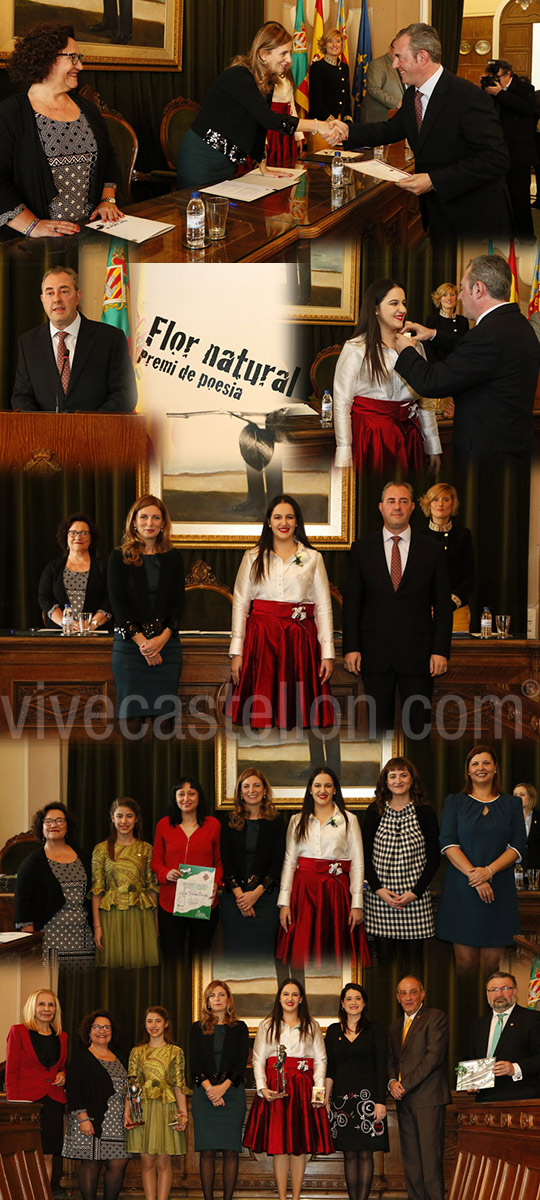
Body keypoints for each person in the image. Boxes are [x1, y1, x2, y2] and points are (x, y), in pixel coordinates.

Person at [343, 23, 511, 242]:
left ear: (422, 57)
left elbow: (496, 158)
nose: (394, 64)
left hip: (474, 218)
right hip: (438, 214)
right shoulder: (413, 93)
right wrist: (346, 132)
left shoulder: (467, 96)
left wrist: (434, 180)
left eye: (399, 57)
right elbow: (391, 129)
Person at [394, 255, 540, 461]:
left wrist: (405, 349)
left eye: (463, 288)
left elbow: (431, 382)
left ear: (478, 289)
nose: (460, 297)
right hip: (515, 447)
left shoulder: (486, 335)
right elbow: (478, 355)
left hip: (487, 454)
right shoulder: (520, 325)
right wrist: (433, 334)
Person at [342, 480, 453, 736]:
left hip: (420, 657)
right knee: (377, 730)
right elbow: (352, 604)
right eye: (391, 501)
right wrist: (351, 647)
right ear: (381, 507)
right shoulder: (362, 549)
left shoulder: (432, 550)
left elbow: (443, 606)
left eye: (403, 501)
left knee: (418, 729)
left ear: (412, 507)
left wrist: (440, 651)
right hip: (374, 655)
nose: (397, 507)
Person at [177, 23, 344, 190]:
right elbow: (270, 120)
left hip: (227, 161)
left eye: (290, 53)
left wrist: (263, 168)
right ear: (263, 54)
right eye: (284, 53)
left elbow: (260, 127)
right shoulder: (239, 75)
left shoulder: (267, 82)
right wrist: (318, 125)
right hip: (201, 159)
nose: (289, 60)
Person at [0, 23, 122, 240]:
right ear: (46, 59)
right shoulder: (9, 114)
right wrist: (33, 226)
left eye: (80, 58)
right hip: (31, 244)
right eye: (73, 58)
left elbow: (109, 159)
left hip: (90, 233)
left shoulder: (88, 109)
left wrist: (107, 201)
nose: (81, 66)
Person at [227, 494, 335, 733]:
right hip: (261, 639)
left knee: (296, 712)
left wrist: (327, 654)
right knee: (262, 713)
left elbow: (324, 608)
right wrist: (237, 652)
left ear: (297, 522)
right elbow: (241, 605)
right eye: (277, 517)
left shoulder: (313, 558)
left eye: (289, 516)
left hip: (299, 641)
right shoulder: (252, 557)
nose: (283, 522)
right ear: (268, 521)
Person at [333, 278, 442, 472]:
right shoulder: (356, 349)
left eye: (404, 303)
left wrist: (433, 447)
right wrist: (344, 456)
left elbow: (425, 402)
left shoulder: (415, 347)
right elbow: (342, 404)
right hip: (372, 436)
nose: (402, 309)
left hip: (410, 436)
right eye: (394, 303)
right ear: (375, 309)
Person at [436, 745, 527, 972]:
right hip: (462, 890)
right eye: (475, 764)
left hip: (498, 891)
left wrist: (488, 871)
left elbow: (518, 846)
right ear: (467, 770)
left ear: (496, 768)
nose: (481, 768)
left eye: (486, 763)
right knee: (465, 964)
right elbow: (448, 843)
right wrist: (476, 877)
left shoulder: (511, 804)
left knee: (491, 966)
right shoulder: (455, 802)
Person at [243, 979, 332, 1200]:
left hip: (302, 1089)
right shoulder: (267, 1026)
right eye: (286, 994)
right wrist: (263, 1088)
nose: (290, 999)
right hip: (275, 1089)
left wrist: (318, 1093)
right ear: (279, 998)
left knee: (298, 1145)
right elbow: (258, 1060)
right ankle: (282, 1197)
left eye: (294, 995)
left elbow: (321, 1060)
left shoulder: (312, 1026)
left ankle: (296, 1197)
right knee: (279, 1144)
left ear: (301, 999)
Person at [276, 767, 367, 970]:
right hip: (303, 893)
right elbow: (290, 862)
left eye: (328, 785)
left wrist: (357, 903)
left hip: (336, 892)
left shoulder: (349, 819)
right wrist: (284, 903)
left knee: (334, 952)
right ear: (310, 789)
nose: (322, 790)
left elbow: (357, 863)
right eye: (317, 785)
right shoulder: (296, 820)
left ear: (335, 790)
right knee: (303, 955)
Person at [11, 266, 137, 412]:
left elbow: (125, 394)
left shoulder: (110, 339)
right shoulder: (28, 343)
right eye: (50, 293)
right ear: (42, 299)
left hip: (97, 433)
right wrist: (42, 428)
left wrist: (88, 426)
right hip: (45, 434)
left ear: (77, 296)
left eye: (64, 291)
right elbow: (21, 396)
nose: (57, 299)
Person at [107, 494, 184, 730]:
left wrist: (161, 640)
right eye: (144, 517)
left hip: (167, 649)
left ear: (163, 524)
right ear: (134, 522)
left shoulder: (173, 558)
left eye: (155, 518)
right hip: (130, 650)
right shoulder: (118, 557)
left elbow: (178, 603)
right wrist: (144, 645)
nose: (149, 523)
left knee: (166, 726)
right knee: (131, 729)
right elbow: (118, 606)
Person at [361, 757, 439, 956]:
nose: (398, 780)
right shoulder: (374, 812)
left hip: (415, 900)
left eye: (403, 775)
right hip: (380, 901)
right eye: (393, 776)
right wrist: (378, 889)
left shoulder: (425, 812)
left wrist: (415, 892)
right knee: (385, 962)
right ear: (385, 782)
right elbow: (364, 856)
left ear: (412, 780)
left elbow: (433, 858)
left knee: (414, 964)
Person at [388, 977, 451, 1200]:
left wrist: (404, 1084)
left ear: (422, 994)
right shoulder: (396, 1026)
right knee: (412, 1165)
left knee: (430, 1164)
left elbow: (433, 1059)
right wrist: (391, 1083)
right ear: (397, 997)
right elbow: (392, 1061)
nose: (408, 998)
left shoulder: (435, 1018)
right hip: (404, 1102)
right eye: (403, 993)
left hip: (428, 1100)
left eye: (413, 992)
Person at [325, 984, 388, 1200]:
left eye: (357, 998)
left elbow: (382, 1067)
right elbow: (329, 1068)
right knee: (349, 1154)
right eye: (349, 999)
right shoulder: (333, 1031)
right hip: (341, 1102)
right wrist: (325, 1099)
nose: (353, 1002)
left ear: (364, 1003)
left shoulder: (376, 1029)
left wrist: (381, 1101)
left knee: (366, 1152)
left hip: (369, 1102)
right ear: (342, 1004)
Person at [14, 802, 94, 970]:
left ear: (68, 826)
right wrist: (30, 940)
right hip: (49, 937)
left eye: (59, 821)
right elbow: (22, 903)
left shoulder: (84, 857)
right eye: (48, 821)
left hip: (83, 937)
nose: (54, 825)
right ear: (41, 827)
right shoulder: (32, 862)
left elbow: (94, 894)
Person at [219, 768, 286, 965]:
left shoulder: (277, 823)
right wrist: (242, 898)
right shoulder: (229, 822)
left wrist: (255, 894)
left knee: (263, 957)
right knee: (235, 957)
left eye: (257, 785)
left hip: (266, 900)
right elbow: (227, 862)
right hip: (234, 902)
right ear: (240, 793)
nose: (252, 790)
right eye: (246, 786)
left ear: (265, 790)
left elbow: (277, 863)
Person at [190, 981, 249, 1200]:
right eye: (212, 995)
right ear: (206, 1001)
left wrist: (222, 1089)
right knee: (206, 1152)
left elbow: (241, 1063)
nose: (216, 998)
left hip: (232, 1093)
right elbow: (195, 1064)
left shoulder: (240, 1028)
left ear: (228, 999)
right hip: (204, 1094)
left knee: (230, 1152)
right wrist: (210, 1091)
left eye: (221, 994)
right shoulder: (198, 1028)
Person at [152, 776, 222, 959]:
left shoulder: (213, 825)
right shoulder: (163, 825)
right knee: (171, 956)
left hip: (204, 901)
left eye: (191, 793)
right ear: (174, 797)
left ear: (199, 797)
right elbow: (156, 862)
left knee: (200, 957)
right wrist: (166, 873)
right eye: (181, 794)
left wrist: (216, 883)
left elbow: (220, 861)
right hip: (170, 903)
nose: (186, 798)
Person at [63, 1010, 129, 1200]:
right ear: (89, 1031)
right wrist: (83, 1118)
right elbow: (74, 1090)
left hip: (117, 1122)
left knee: (119, 1163)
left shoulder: (121, 1058)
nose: (102, 1031)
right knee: (91, 1163)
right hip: (90, 1120)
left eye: (106, 1027)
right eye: (97, 1027)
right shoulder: (81, 1059)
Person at [125, 1007, 189, 1200]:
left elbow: (179, 1085)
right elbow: (131, 1084)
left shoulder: (176, 1052)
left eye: (158, 1021)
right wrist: (127, 1113)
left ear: (166, 1023)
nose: (154, 1025)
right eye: (149, 1021)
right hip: (141, 1109)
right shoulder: (136, 1052)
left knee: (164, 1162)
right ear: (145, 1025)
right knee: (147, 1162)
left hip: (166, 1108)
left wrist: (183, 1113)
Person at [5, 990, 67, 1184]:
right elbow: (11, 1071)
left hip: (53, 1101)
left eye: (51, 1005)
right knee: (24, 1155)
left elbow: (62, 1066)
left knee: (47, 1154)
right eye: (42, 1004)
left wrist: (64, 1075)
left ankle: (43, 1195)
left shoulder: (62, 1037)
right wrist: (15, 1105)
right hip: (26, 1103)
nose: (46, 1009)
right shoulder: (18, 1031)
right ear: (32, 1007)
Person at [91, 796, 159, 969]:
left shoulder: (146, 849)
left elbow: (152, 888)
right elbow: (97, 891)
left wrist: (156, 925)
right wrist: (97, 926)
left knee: (139, 965)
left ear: (136, 819)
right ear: (112, 818)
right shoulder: (101, 849)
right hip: (111, 915)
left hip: (141, 916)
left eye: (129, 816)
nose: (124, 821)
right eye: (119, 816)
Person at [484, 59, 537, 240]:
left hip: (519, 153)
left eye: (497, 77)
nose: (495, 81)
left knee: (520, 197)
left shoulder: (525, 89)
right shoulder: (490, 90)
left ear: (508, 74)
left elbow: (528, 109)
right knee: (499, 198)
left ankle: (526, 236)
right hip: (497, 152)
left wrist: (500, 94)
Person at [467, 971, 540, 1101]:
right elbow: (472, 1059)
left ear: (516, 991)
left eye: (505, 988)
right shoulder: (477, 1024)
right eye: (493, 990)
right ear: (487, 994)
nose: (499, 994)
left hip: (521, 1099)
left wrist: (515, 1068)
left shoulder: (533, 1019)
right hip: (484, 1100)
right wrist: (472, 1081)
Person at [38, 512, 110, 631]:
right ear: (65, 537)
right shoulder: (53, 568)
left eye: (83, 533)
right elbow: (44, 598)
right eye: (73, 533)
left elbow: (110, 600)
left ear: (91, 538)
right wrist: (65, 623)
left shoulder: (104, 568)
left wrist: (92, 625)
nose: (78, 537)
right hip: (59, 634)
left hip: (95, 634)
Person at [418, 484, 475, 622]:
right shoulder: (417, 536)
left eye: (446, 499)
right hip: (422, 610)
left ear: (453, 504)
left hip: (456, 610)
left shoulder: (463, 535)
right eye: (435, 500)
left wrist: (450, 603)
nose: (440, 504)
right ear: (429, 504)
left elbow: (469, 576)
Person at [308, 30, 352, 123]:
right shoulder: (317, 67)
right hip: (322, 122)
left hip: (340, 122)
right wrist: (331, 121)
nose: (334, 45)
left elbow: (346, 98)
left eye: (338, 41)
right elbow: (315, 101)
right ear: (324, 44)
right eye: (330, 41)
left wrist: (347, 118)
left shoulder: (344, 67)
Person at [359, 40, 403, 122]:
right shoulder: (377, 64)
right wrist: (397, 103)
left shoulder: (403, 66)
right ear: (389, 49)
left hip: (396, 117)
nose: (398, 54)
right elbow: (374, 89)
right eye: (396, 51)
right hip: (378, 116)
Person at [513, 782, 540, 871]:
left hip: (535, 871)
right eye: (515, 795)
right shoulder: (508, 819)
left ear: (531, 797)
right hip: (514, 870)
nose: (517, 797)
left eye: (522, 794)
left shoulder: (538, 817)